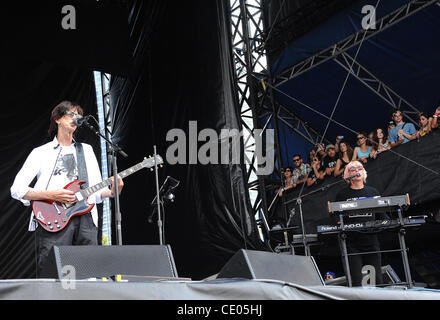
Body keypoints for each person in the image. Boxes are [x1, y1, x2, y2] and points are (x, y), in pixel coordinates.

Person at [10, 101, 124, 276]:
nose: (75, 118)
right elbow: (17, 189)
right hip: (54, 218)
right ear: (57, 119)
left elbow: (94, 191)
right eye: (70, 114)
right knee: (53, 273)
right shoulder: (41, 152)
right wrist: (52, 195)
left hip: (86, 219)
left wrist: (112, 191)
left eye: (77, 115)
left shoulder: (86, 150)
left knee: (88, 273)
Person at [335, 161, 387, 287]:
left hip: (371, 242)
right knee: (356, 282)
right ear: (347, 175)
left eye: (359, 168)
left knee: (376, 280)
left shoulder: (373, 192)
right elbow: (336, 218)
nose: (357, 170)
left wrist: (386, 222)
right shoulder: (342, 195)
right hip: (352, 244)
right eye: (352, 169)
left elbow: (382, 216)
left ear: (364, 173)